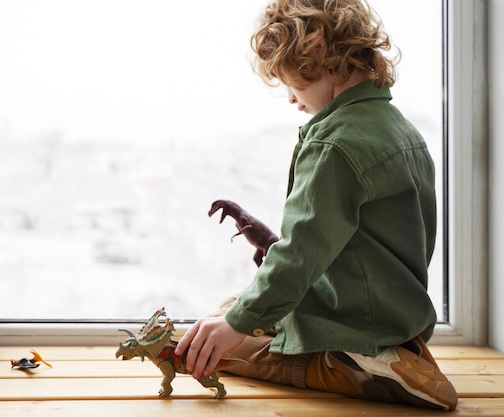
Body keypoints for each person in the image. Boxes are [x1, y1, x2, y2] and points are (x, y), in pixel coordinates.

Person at [174, 0, 458, 411]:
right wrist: (271, 245)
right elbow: (360, 242)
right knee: (232, 312)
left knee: (227, 345)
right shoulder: (401, 129)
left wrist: (236, 325)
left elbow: (302, 255)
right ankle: (392, 352)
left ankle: (355, 365)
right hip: (396, 313)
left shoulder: (333, 144)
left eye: (290, 80)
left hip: (352, 321)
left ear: (317, 49)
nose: (290, 98)